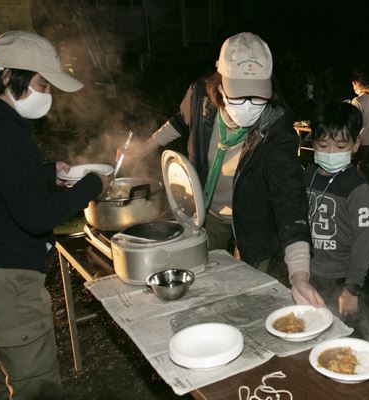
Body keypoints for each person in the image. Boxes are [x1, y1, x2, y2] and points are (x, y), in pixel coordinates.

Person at [122, 32, 324, 307]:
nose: (249, 105)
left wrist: (300, 275)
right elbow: (180, 122)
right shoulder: (198, 97)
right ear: (220, 86)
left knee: (250, 296)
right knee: (204, 287)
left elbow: (289, 198)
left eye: (257, 97)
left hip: (254, 217)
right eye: (239, 95)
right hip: (207, 211)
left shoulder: (276, 125)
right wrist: (146, 146)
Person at [0, 31, 110, 399]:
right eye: (41, 84)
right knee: (35, 390)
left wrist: (47, 171)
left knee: (3, 382)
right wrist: (92, 186)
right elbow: (36, 216)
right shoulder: (5, 131)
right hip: (6, 287)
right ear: (7, 76)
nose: (46, 95)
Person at [305, 101, 369, 341]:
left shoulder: (359, 190)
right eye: (323, 145)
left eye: (340, 146)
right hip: (313, 273)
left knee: (349, 343)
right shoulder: (309, 175)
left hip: (345, 279)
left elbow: (364, 244)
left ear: (355, 145)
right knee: (314, 335)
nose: (330, 153)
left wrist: (352, 288)